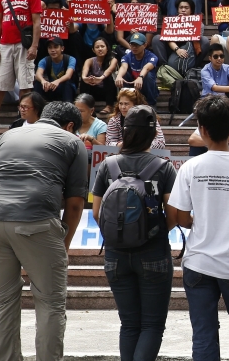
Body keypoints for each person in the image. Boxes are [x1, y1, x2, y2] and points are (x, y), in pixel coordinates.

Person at [0, 101, 88, 361]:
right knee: (50, 303)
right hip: (36, 221)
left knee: (1, 302)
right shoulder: (72, 142)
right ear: (70, 125)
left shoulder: (8, 136)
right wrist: (64, 245)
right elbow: (75, 203)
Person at [166, 96, 229, 361]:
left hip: (199, 262)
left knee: (204, 335)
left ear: (202, 129)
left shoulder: (190, 167)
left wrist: (199, 222)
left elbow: (180, 217)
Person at [91, 105, 176, 361]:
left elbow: (97, 213)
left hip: (115, 254)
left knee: (128, 324)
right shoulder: (164, 168)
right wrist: (151, 231)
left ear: (124, 132)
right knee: (152, 325)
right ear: (153, 134)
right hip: (154, 252)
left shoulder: (107, 165)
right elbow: (173, 216)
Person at [0, 0, 43, 123]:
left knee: (25, 83)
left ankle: (23, 117)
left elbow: (37, 22)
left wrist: (34, 46)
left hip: (23, 44)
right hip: (5, 43)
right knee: (0, 82)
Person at [115, 32, 160, 107]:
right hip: (133, 86)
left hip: (146, 87)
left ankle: (151, 104)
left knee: (148, 75)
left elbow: (147, 67)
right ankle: (127, 102)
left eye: (137, 45)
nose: (134, 47)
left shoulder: (152, 56)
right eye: (132, 45)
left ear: (144, 45)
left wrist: (140, 77)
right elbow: (123, 66)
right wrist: (119, 76)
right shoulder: (127, 56)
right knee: (123, 74)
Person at [201, 43, 229, 108]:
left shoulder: (228, 68)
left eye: (221, 56)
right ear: (210, 58)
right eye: (216, 57)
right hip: (208, 100)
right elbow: (215, 88)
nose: (219, 59)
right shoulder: (205, 70)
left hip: (223, 100)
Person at [34, 38, 77, 102]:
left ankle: (67, 106)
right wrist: (43, 81)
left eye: (56, 47)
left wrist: (58, 81)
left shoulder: (70, 59)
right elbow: (38, 74)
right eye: (50, 47)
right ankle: (37, 105)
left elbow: (68, 75)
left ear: (62, 48)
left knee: (67, 84)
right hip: (51, 88)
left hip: (65, 88)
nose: (53, 50)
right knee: (38, 83)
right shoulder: (44, 60)